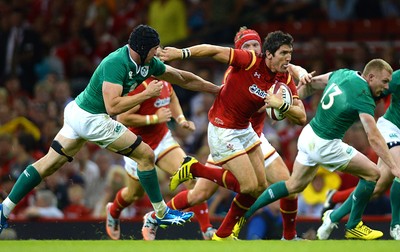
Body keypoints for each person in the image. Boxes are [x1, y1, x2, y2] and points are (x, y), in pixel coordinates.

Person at [0, 24, 220, 235]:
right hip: (91, 117)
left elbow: (182, 78)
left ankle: (5, 209)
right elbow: (113, 107)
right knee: (145, 154)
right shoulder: (115, 62)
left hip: (78, 111)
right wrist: (147, 94)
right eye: (155, 50)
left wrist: (216, 90)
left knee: (49, 164)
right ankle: (161, 212)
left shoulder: (148, 63)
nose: (158, 53)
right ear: (143, 50)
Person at [158, 29, 307, 240]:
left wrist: (281, 104)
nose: (288, 58)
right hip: (223, 129)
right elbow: (211, 50)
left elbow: (301, 117)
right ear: (270, 54)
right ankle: (195, 169)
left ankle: (226, 235)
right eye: (284, 53)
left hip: (248, 131)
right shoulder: (245, 63)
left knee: (260, 188)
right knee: (241, 187)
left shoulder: (283, 75)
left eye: (290, 53)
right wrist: (181, 54)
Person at [241, 58, 400, 240]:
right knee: (373, 173)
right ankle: (353, 224)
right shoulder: (363, 95)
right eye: (384, 82)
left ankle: (245, 213)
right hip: (326, 144)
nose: (387, 87)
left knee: (293, 185)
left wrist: (288, 103)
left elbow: (313, 83)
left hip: (309, 134)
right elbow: (373, 136)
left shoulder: (343, 73)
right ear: (371, 77)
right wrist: (394, 167)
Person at [105, 76, 215, 240]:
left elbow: (172, 97)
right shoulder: (139, 86)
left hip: (162, 141)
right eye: (156, 54)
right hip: (138, 146)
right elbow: (122, 118)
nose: (161, 59)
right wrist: (154, 118)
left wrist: (181, 119)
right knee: (134, 195)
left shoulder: (164, 79)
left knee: (191, 178)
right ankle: (113, 210)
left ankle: (207, 229)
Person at [319, 69, 400, 240]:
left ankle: (334, 214)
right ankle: (396, 227)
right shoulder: (397, 77)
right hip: (392, 128)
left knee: (378, 187)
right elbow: (374, 91)